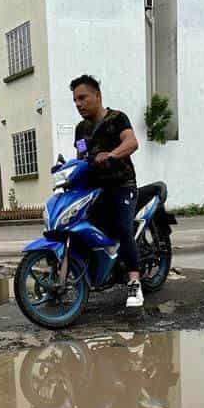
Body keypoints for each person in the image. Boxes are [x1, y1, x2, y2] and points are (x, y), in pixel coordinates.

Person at [70, 75, 143, 309]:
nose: (79, 104)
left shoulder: (117, 119)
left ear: (97, 96)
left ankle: (134, 283)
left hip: (122, 185)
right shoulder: (81, 129)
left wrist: (111, 155)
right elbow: (81, 156)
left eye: (83, 98)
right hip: (94, 189)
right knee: (79, 226)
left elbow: (131, 142)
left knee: (123, 227)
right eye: (75, 101)